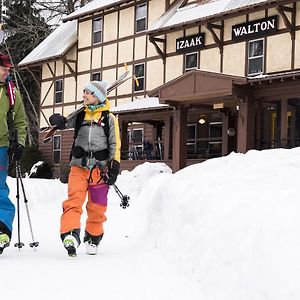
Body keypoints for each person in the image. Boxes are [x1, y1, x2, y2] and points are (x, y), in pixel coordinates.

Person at [49, 80, 121, 256]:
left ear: (97, 96)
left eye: (87, 93)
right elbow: (64, 123)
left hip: (100, 170)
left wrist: (114, 167)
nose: (84, 95)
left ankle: (93, 238)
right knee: (73, 202)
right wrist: (56, 119)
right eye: (84, 92)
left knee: (97, 207)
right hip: (78, 167)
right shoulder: (80, 115)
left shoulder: (109, 118)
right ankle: (71, 234)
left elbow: (114, 144)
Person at [0, 53, 27, 255]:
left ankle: (2, 230)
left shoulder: (11, 92)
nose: (7, 72)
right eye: (4, 68)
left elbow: (19, 122)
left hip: (0, 146)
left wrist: (19, 143)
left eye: (8, 69)